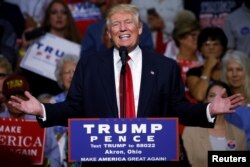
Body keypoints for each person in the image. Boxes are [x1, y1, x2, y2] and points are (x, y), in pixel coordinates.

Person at [8, 4, 244, 166]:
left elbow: (178, 108)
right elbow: (73, 107)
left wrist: (209, 110)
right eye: (115, 24)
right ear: (109, 33)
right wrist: (42, 109)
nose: (122, 28)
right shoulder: (90, 66)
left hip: (152, 159)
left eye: (128, 22)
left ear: (139, 29)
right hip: (103, 159)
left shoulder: (165, 67)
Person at [19, 0, 81, 97]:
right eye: (54, 12)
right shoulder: (35, 38)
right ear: (48, 17)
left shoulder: (77, 46)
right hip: (35, 93)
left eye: (63, 12)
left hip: (64, 96)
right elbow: (19, 71)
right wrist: (23, 48)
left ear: (68, 17)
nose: (59, 16)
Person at [182, 81, 247, 167]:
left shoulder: (239, 134)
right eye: (212, 96)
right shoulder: (190, 131)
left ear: (230, 102)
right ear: (205, 101)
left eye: (222, 97)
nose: (217, 100)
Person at [1, 74, 61, 167]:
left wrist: (46, 163)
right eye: (12, 97)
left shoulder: (41, 122)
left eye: (21, 96)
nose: (17, 101)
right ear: (4, 100)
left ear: (29, 97)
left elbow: (54, 155)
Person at [80, 0, 154, 58]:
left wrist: (130, 47)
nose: (120, 0)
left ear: (130, 1)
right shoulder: (93, 30)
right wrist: (107, 49)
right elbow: (86, 63)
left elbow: (149, 57)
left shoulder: (141, 27)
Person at [186, 27, 228, 102]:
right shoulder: (193, 72)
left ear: (223, 48)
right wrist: (208, 67)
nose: (211, 47)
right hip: (205, 112)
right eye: (206, 44)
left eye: (215, 44)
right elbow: (199, 96)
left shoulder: (231, 70)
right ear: (200, 49)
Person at [221, 50, 250, 149]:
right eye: (230, 70)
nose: (234, 74)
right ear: (225, 73)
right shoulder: (220, 102)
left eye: (239, 69)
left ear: (246, 71)